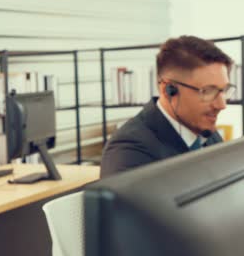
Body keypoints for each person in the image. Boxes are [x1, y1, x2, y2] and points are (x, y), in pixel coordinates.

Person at [100, 35, 235, 178]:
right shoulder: (129, 151)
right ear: (168, 90)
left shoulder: (206, 131)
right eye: (208, 91)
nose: (222, 105)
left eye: (224, 90)